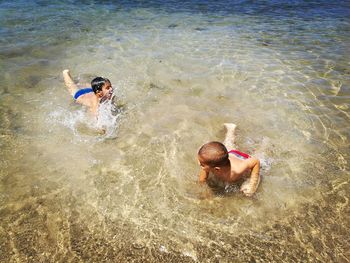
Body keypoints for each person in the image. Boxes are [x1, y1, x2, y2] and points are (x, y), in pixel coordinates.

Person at [197, 123, 260, 197]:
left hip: (243, 158)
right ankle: (231, 129)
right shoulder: (208, 166)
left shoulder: (237, 170)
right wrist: (203, 188)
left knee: (259, 155)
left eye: (202, 164)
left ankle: (264, 145)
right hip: (230, 153)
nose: (199, 163)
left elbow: (256, 161)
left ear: (216, 169)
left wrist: (252, 184)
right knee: (229, 144)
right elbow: (202, 179)